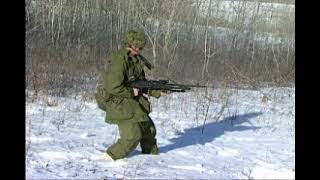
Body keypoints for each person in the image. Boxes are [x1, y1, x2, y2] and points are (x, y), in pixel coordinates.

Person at [101, 30, 166, 161]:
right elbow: (112, 86)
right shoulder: (120, 60)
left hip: (131, 101)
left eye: (141, 47)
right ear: (131, 44)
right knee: (133, 136)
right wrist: (132, 92)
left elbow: (140, 83)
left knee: (149, 130)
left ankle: (151, 159)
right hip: (118, 102)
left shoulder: (135, 59)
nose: (140, 49)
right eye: (138, 47)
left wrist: (156, 91)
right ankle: (109, 158)